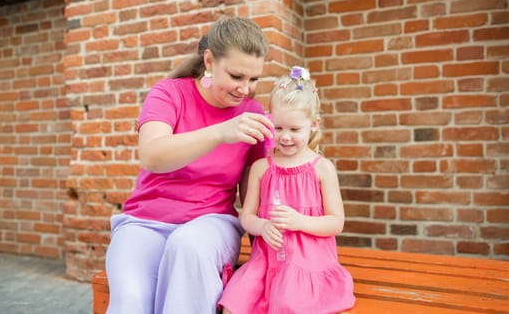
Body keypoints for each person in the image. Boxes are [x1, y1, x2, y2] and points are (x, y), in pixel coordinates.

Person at [104, 16, 273, 314]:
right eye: (236, 76)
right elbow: (152, 156)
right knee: (131, 301)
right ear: (209, 60)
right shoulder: (169, 94)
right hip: (145, 223)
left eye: (254, 79)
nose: (245, 89)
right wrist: (221, 132)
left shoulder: (252, 113)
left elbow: (253, 196)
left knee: (188, 246)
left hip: (211, 224)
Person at [219, 66, 356, 314]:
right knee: (232, 305)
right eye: (279, 128)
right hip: (266, 261)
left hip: (306, 262)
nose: (285, 137)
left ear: (313, 125)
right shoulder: (262, 168)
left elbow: (336, 223)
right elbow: (246, 216)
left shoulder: (322, 168)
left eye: (295, 129)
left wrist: (298, 220)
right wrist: (262, 226)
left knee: (287, 304)